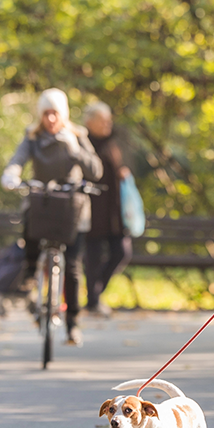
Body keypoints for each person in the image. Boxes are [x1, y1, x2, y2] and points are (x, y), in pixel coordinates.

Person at [0, 88, 103, 346]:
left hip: (72, 210)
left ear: (63, 114)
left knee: (72, 266)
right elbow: (17, 159)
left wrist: (75, 150)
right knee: (32, 252)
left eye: (55, 113)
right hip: (42, 206)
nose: (51, 119)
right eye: (46, 114)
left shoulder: (78, 135)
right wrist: (11, 176)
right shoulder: (33, 137)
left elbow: (96, 171)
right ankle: (29, 292)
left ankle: (73, 325)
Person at [82, 102, 133, 317]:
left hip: (114, 214)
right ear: (89, 122)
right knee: (91, 258)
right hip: (92, 213)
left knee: (122, 251)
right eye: (102, 120)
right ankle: (93, 301)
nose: (107, 124)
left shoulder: (112, 142)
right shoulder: (82, 143)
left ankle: (94, 294)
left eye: (108, 119)